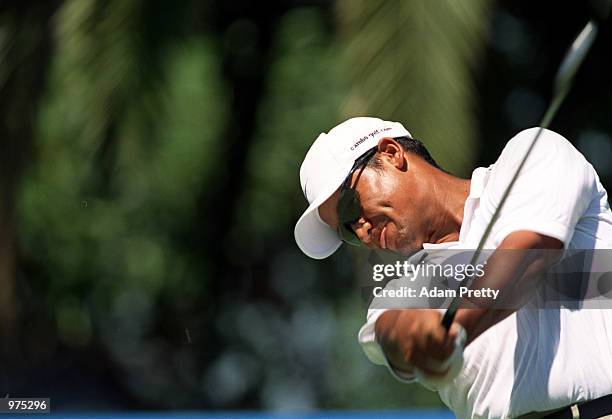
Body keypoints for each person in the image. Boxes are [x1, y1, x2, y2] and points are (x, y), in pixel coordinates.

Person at [294, 117, 612, 418]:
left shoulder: (532, 153)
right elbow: (391, 331)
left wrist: (457, 329)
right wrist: (414, 338)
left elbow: (530, 254)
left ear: (391, 154)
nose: (362, 232)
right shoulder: (400, 289)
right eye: (348, 229)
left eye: (350, 206)